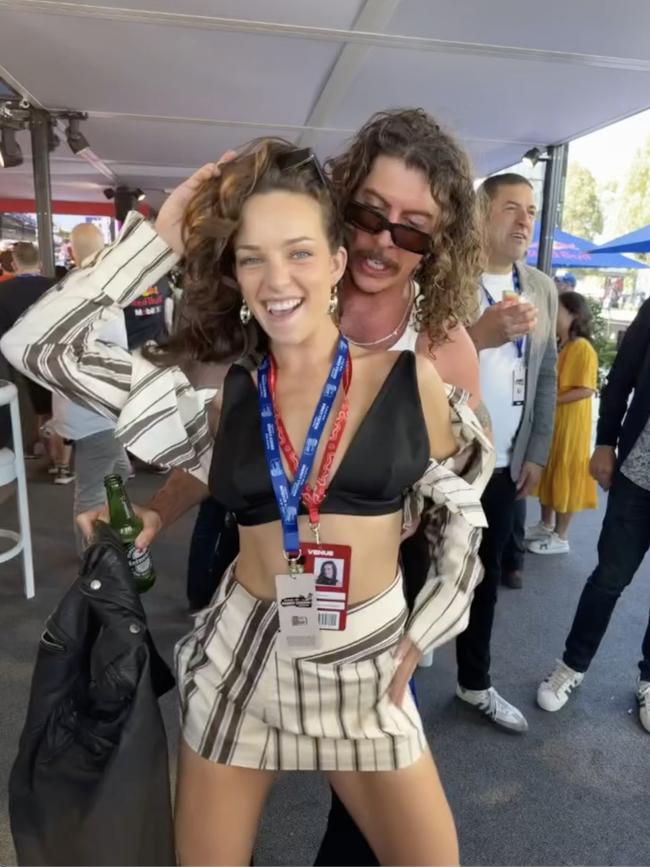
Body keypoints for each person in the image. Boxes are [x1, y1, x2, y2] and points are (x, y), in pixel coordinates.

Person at [2, 138, 493, 866]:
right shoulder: (225, 406)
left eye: (298, 252)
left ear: (335, 261)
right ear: (233, 272)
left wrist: (431, 622)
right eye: (251, 256)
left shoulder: (409, 380)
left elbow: (466, 499)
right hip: (244, 660)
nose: (275, 278)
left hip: (366, 667)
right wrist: (161, 237)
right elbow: (38, 344)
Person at [184, 108, 487, 615]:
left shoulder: (443, 350)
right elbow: (211, 441)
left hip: (371, 600)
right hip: (251, 558)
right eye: (370, 215)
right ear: (341, 206)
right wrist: (156, 510)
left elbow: (460, 494)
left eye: (412, 231)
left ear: (437, 246)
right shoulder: (278, 303)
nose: (384, 241)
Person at [457, 172, 557, 732]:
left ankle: (473, 683)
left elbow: (545, 379)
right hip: (443, 460)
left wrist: (536, 452)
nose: (524, 222)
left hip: (503, 464)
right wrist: (477, 335)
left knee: (486, 576)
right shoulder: (446, 278)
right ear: (480, 214)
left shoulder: (540, 286)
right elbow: (418, 362)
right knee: (417, 568)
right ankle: (397, 678)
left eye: (531, 212)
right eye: (511, 209)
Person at [537, 298, 650, 733]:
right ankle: (572, 665)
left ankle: (649, 677)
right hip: (639, 474)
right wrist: (604, 443)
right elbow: (621, 377)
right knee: (608, 577)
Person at [49, 223, 131, 547]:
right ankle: (92, 559)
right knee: (92, 489)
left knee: (118, 471)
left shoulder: (67, 292)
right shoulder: (101, 293)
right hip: (96, 410)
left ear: (71, 251)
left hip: (88, 409)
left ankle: (107, 536)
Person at [526, 292, 598, 554]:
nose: (553, 317)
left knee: (565, 470)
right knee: (550, 467)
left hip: (570, 422)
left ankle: (561, 535)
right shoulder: (561, 344)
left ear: (574, 315)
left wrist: (549, 400)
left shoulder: (581, 347)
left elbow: (586, 389)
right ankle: (547, 525)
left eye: (558, 312)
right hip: (556, 420)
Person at [0, 242, 58, 460]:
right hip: (51, 356)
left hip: (16, 363)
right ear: (40, 263)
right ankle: (59, 457)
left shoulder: (3, 291)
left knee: (28, 408)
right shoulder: (56, 287)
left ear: (14, 263)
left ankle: (33, 445)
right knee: (55, 406)